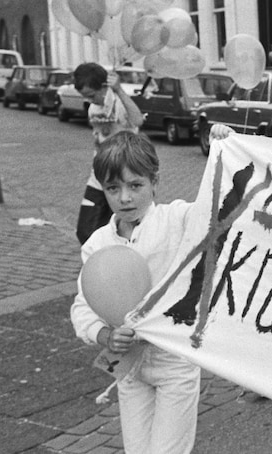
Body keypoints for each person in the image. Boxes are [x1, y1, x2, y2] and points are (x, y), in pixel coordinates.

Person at [70, 132, 203, 454]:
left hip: (174, 360)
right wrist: (103, 335)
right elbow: (83, 305)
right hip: (128, 363)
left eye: (135, 185)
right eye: (113, 188)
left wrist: (223, 149)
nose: (125, 198)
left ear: (154, 181)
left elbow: (219, 207)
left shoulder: (176, 219)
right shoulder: (97, 244)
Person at [74, 63, 146, 244]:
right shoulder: (93, 109)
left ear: (104, 86)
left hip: (124, 178)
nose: (90, 100)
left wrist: (119, 89)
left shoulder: (119, 102)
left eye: (92, 95)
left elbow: (137, 120)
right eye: (86, 97)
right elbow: (98, 138)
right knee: (85, 231)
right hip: (99, 178)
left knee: (126, 231)